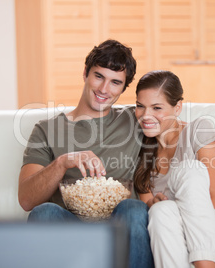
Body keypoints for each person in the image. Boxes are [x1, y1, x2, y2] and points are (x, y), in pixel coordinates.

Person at [18, 39, 153, 268]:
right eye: (98, 76)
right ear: (85, 74)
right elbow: (26, 199)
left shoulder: (135, 119)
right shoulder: (46, 129)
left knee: (134, 208)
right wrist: (62, 163)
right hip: (71, 232)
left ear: (123, 88)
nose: (103, 89)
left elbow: (188, 131)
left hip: (120, 229)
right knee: (44, 213)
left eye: (115, 83)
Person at [134, 70, 215, 268]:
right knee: (161, 211)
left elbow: (214, 203)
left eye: (156, 108)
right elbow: (150, 208)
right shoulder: (140, 150)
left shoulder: (198, 131)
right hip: (170, 227)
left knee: (189, 169)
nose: (146, 115)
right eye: (140, 106)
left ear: (177, 107)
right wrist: (157, 204)